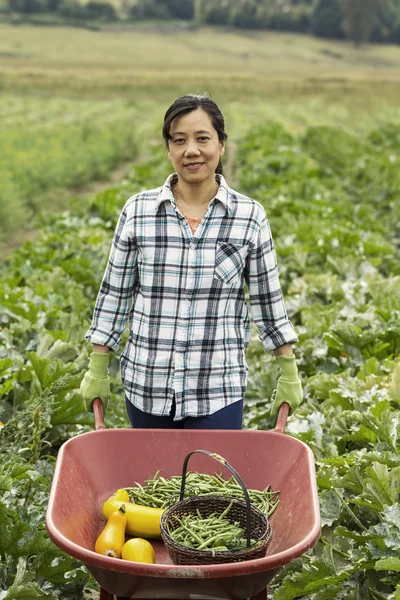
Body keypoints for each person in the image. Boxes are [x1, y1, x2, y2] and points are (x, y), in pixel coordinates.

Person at [80, 94, 303, 429]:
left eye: (202, 139)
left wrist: (288, 371)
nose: (191, 151)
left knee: (210, 481)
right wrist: (97, 367)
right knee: (153, 480)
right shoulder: (139, 212)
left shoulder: (249, 216)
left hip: (217, 388)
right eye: (179, 140)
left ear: (221, 145)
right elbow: (115, 297)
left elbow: (267, 303)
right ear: (169, 149)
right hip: (147, 385)